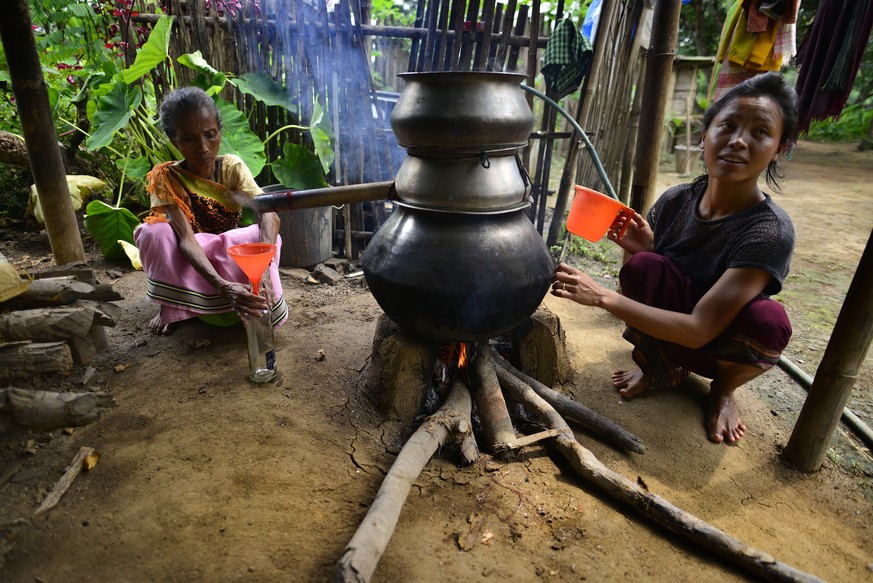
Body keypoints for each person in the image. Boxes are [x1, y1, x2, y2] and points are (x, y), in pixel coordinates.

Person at [550, 72, 797, 444]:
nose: (738, 141)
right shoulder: (677, 200)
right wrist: (650, 250)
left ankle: (723, 391)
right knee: (643, 266)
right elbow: (665, 280)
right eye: (727, 125)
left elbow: (701, 328)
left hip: (717, 343)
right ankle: (662, 367)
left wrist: (600, 296)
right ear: (705, 134)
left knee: (768, 320)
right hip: (677, 332)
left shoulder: (769, 232)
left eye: (760, 132)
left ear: (780, 148)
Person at [134, 87, 287, 335]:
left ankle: (250, 295)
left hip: (224, 250)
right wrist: (223, 286)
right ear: (175, 140)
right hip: (188, 257)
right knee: (154, 232)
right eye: (190, 138)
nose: (204, 147)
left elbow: (269, 212)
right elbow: (185, 239)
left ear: (219, 131)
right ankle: (172, 306)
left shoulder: (232, 167)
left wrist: (264, 272)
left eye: (210, 135)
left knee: (264, 235)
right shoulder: (166, 177)